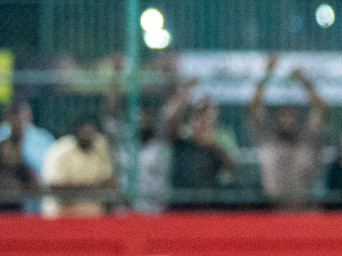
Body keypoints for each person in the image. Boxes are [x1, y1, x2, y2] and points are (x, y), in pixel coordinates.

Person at [105, 70, 192, 214]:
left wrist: (181, 93)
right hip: (125, 211)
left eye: (144, 118)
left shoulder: (162, 143)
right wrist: (116, 77)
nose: (141, 121)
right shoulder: (124, 142)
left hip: (156, 212)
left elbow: (170, 116)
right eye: (137, 119)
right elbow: (110, 115)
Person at [248, 54, 327, 210]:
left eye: (291, 113)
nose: (287, 118)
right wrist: (267, 74)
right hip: (273, 211)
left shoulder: (307, 137)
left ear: (298, 116)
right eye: (283, 113)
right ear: (276, 116)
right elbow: (254, 106)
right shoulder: (267, 138)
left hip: (304, 210)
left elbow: (320, 108)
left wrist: (306, 82)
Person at [40, 116, 116, 216]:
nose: (87, 136)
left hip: (92, 209)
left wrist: (82, 190)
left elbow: (108, 183)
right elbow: (55, 187)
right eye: (84, 132)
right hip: (60, 209)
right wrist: (90, 189)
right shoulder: (61, 151)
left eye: (90, 133)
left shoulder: (100, 148)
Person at [171, 98, 236, 209]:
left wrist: (211, 143)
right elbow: (171, 128)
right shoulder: (185, 134)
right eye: (199, 114)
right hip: (182, 198)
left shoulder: (223, 135)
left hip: (210, 198)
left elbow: (230, 166)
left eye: (206, 113)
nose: (202, 118)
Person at [0, 97, 56, 211]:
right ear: (8, 117)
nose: (19, 120)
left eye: (23, 115)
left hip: (33, 196)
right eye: (15, 115)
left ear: (30, 116)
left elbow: (46, 173)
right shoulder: (2, 138)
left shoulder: (43, 138)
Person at [0, 134, 37, 211]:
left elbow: (34, 190)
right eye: (5, 149)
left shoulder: (24, 170)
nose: (8, 153)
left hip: (20, 211)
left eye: (12, 149)